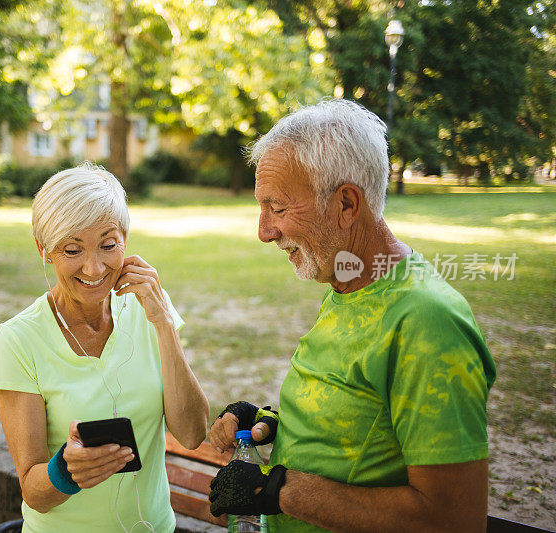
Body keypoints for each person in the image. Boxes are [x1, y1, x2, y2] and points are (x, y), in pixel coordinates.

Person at [208, 99, 496, 532]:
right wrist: (271, 425)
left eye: (278, 208)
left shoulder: (425, 321)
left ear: (346, 204)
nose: (264, 231)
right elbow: (360, 431)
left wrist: (279, 491)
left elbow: (455, 519)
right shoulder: (349, 282)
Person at [0, 163, 209, 532]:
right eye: (72, 250)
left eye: (108, 246)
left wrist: (164, 324)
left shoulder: (148, 308)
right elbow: (33, 490)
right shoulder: (18, 339)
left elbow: (192, 433)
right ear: (44, 250)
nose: (94, 268)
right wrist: (66, 471)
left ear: (125, 238)